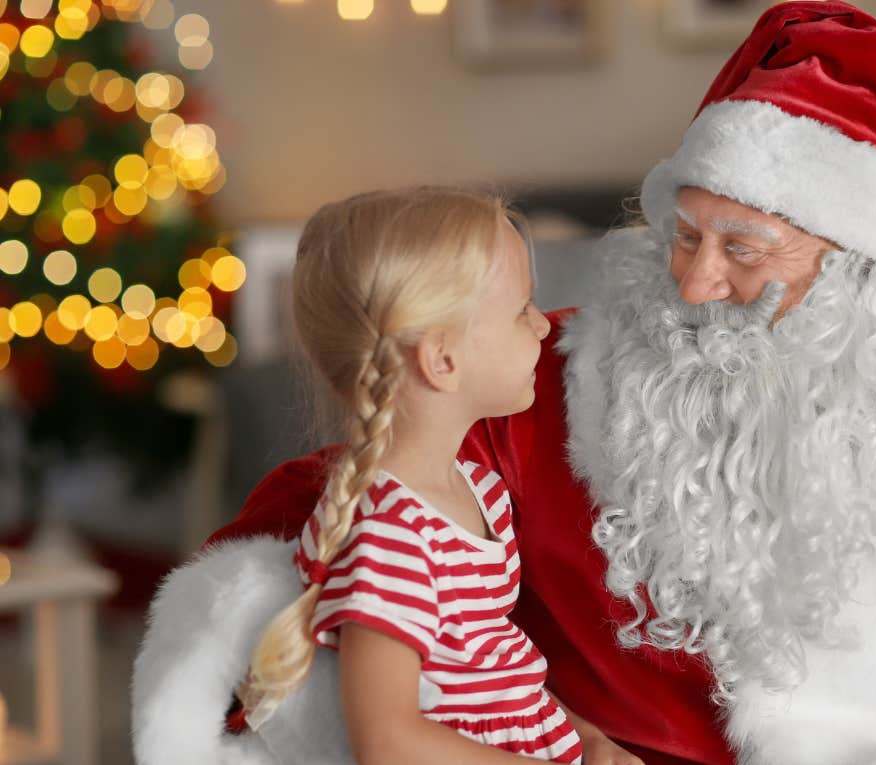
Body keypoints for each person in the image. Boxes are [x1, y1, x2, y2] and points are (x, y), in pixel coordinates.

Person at [135, 4, 876, 764]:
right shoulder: (546, 379)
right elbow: (341, 497)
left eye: (742, 247)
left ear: (860, 271)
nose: (691, 281)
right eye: (681, 234)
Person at [218, 187, 637, 765]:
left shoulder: (477, 490)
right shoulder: (390, 535)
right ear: (443, 360)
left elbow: (496, 673)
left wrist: (588, 740)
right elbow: (388, 744)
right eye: (522, 310)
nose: (544, 328)